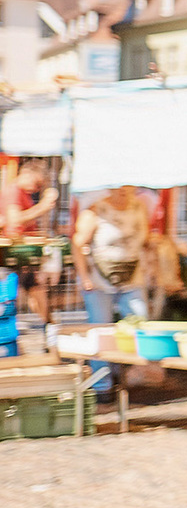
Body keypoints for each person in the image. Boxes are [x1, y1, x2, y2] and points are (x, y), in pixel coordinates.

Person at [73, 187, 152, 398]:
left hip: (132, 276)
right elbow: (77, 242)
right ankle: (101, 385)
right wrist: (85, 277)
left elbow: (145, 240)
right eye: (120, 185)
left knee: (139, 323)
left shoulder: (139, 208)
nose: (125, 190)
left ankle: (130, 377)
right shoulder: (95, 210)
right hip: (99, 280)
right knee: (101, 330)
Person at [2, 161, 60, 321]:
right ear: (27, 174)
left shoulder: (22, 193)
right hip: (14, 254)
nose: (37, 188)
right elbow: (15, 220)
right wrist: (42, 207)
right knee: (28, 292)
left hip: (21, 254)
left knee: (36, 291)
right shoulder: (13, 191)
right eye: (37, 183)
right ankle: (50, 327)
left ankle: (50, 326)